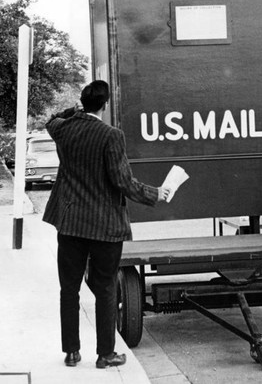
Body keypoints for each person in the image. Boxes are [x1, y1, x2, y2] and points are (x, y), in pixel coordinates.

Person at [43, 80, 170, 369]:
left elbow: (51, 120)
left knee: (69, 290)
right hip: (104, 226)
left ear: (82, 103)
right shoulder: (111, 135)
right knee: (105, 289)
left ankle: (72, 352)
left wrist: (73, 111)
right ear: (106, 104)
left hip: (70, 222)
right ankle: (104, 354)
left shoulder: (63, 129)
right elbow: (123, 181)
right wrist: (155, 193)